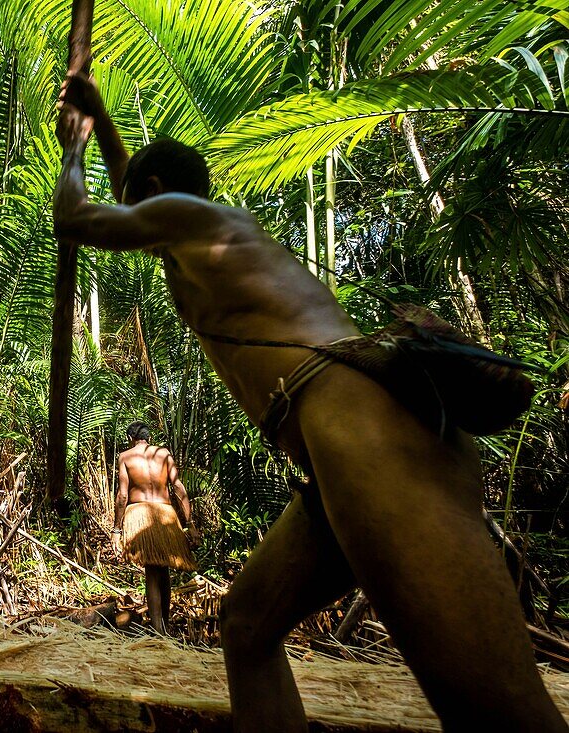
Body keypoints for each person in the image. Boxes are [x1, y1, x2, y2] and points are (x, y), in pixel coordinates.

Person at [53, 72, 567, 732]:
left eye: (139, 200)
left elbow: (77, 218)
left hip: (359, 424)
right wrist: (104, 123)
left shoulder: (189, 218)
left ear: (154, 197)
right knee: (247, 624)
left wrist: (73, 146)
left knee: (497, 710)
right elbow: (136, 190)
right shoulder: (195, 228)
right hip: (341, 443)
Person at [113, 421, 200, 634]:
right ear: (148, 437)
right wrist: (190, 524)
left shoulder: (125, 456)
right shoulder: (163, 453)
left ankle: (158, 630)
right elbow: (178, 487)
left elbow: (123, 495)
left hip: (141, 513)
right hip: (165, 513)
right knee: (163, 570)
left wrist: (116, 529)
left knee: (152, 571)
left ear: (130, 438)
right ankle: (164, 624)